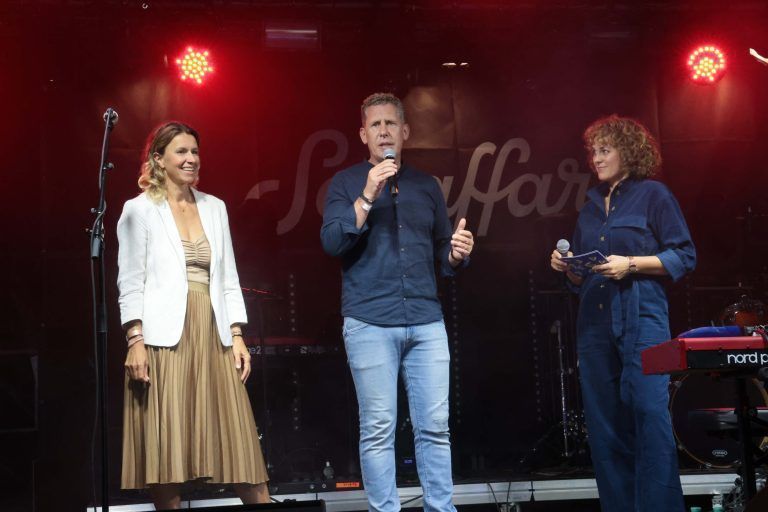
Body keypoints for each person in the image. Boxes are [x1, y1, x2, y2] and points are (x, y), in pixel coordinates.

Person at [321, 92, 474, 512]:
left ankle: (440, 508)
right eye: (375, 125)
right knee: (378, 427)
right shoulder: (347, 183)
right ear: (363, 135)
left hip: (425, 320)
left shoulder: (427, 186)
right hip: (370, 321)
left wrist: (456, 252)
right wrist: (369, 194)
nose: (384, 131)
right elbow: (333, 241)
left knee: (435, 427)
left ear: (405, 132)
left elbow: (443, 252)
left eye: (391, 124)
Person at [117, 121, 269, 509]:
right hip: (164, 338)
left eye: (195, 152)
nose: (191, 159)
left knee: (239, 448)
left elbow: (229, 277)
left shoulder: (214, 207)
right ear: (158, 159)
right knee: (167, 451)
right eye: (181, 152)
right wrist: (135, 340)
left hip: (212, 332)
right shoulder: (139, 210)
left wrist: (237, 335)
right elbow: (131, 281)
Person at [550, 115, 696, 511]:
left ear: (628, 152)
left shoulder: (654, 195)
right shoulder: (591, 206)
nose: (595, 158)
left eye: (605, 150)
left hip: (640, 318)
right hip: (594, 324)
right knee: (606, 428)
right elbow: (579, 278)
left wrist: (630, 263)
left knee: (649, 418)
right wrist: (568, 267)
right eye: (593, 151)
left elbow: (684, 255)